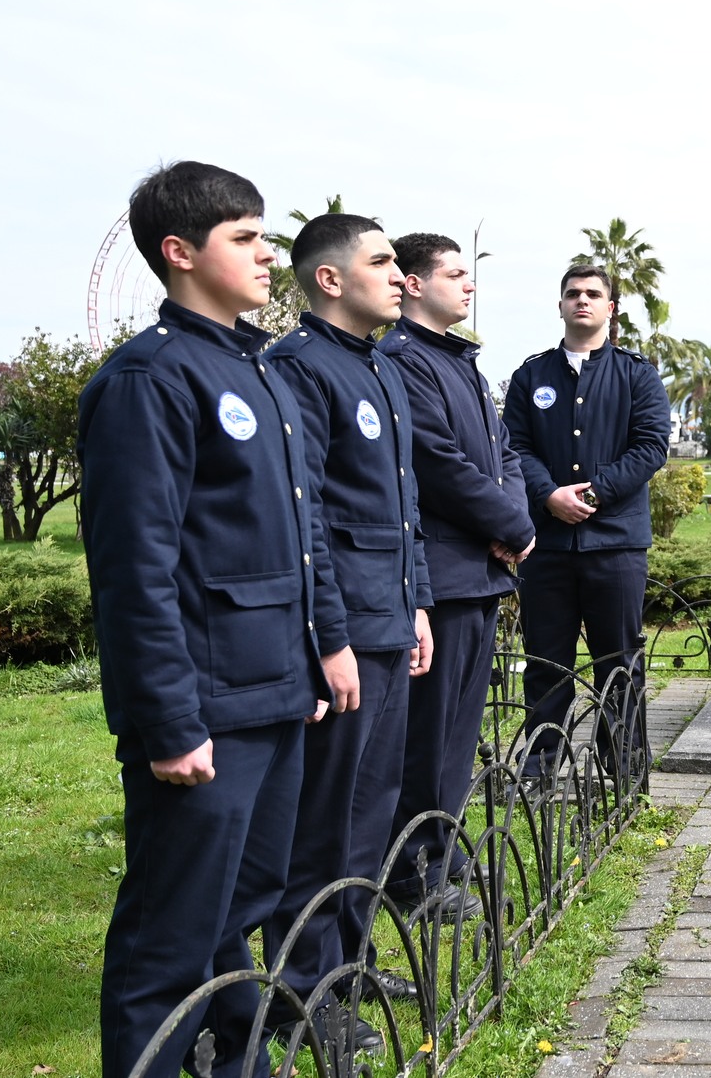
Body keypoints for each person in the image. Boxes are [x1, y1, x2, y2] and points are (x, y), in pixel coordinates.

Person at [80, 161, 359, 1078]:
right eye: (244, 237)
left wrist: (317, 656)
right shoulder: (151, 379)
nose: (267, 251)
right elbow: (136, 567)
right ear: (181, 252)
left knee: (243, 902)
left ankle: (235, 1060)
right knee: (169, 934)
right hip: (204, 707)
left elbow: (303, 533)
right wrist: (169, 722)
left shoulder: (257, 371)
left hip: (274, 693)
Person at [259, 214, 434, 1045]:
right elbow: (308, 521)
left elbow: (403, 510)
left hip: (390, 621)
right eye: (383, 261)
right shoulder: (300, 370)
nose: (400, 275)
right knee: (323, 819)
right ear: (331, 280)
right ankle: (304, 991)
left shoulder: (381, 368)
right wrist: (330, 635)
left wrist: (420, 603)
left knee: (372, 808)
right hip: (345, 634)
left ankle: (352, 960)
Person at [378, 232, 535, 912]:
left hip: (481, 570)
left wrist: (516, 522)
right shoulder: (404, 359)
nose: (467, 285)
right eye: (453, 274)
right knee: (428, 731)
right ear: (414, 284)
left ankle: (441, 843)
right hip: (442, 571)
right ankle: (411, 868)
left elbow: (503, 455)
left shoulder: (462, 361)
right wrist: (508, 524)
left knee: (460, 730)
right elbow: (439, 463)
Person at [504, 264, 671, 782]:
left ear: (610, 308)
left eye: (593, 294)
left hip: (614, 543)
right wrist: (548, 494)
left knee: (619, 660)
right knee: (545, 661)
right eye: (572, 293)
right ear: (559, 304)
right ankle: (540, 766)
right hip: (547, 544)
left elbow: (651, 447)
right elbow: (515, 446)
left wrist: (594, 492)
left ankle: (623, 764)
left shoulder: (636, 374)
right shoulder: (532, 376)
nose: (582, 301)